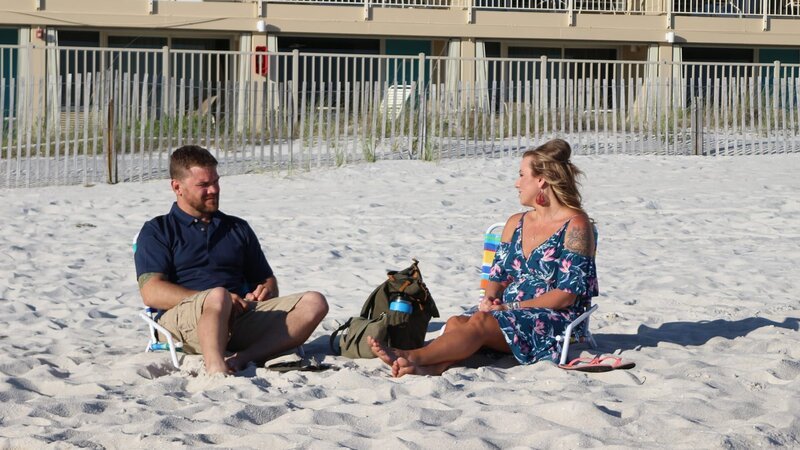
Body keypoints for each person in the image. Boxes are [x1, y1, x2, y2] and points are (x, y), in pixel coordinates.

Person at [370, 138, 598, 377]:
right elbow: (498, 275)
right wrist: (490, 298)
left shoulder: (576, 225)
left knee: (479, 323)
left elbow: (566, 296)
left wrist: (510, 306)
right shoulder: (515, 223)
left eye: (522, 175)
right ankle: (430, 366)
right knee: (458, 322)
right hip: (507, 312)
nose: (516, 183)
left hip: (553, 319)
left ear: (541, 180)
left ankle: (410, 355)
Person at [134, 145, 329, 375]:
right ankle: (216, 369)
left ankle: (244, 358)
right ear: (177, 187)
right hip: (184, 321)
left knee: (315, 302)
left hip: (238, 318)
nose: (214, 190)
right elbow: (151, 292)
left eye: (216, 181)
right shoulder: (158, 230)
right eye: (203, 185)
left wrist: (264, 290)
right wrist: (213, 299)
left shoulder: (237, 228)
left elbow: (267, 281)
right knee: (218, 295)